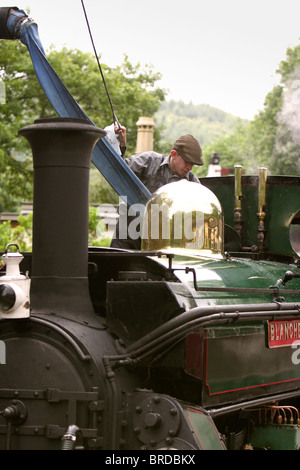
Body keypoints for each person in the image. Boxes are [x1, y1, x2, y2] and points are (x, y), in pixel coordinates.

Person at [111, 127, 204, 249]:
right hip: (127, 235)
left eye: (193, 164)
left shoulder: (193, 185)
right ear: (173, 154)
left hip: (161, 245)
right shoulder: (149, 161)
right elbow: (119, 169)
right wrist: (121, 145)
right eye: (187, 162)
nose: (190, 167)